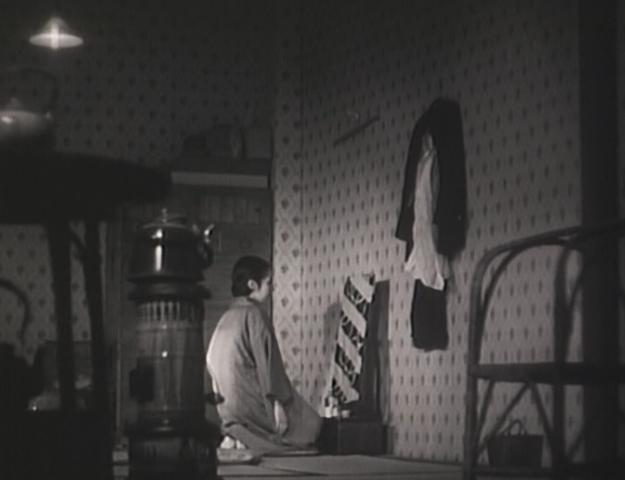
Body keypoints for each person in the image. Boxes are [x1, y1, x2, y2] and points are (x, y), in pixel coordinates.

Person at [206, 255, 321, 456]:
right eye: (268, 283)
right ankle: (250, 438)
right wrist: (278, 403)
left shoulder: (227, 316)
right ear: (253, 284)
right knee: (312, 425)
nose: (272, 288)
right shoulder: (254, 314)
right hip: (248, 403)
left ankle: (237, 437)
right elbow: (270, 368)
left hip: (226, 406)